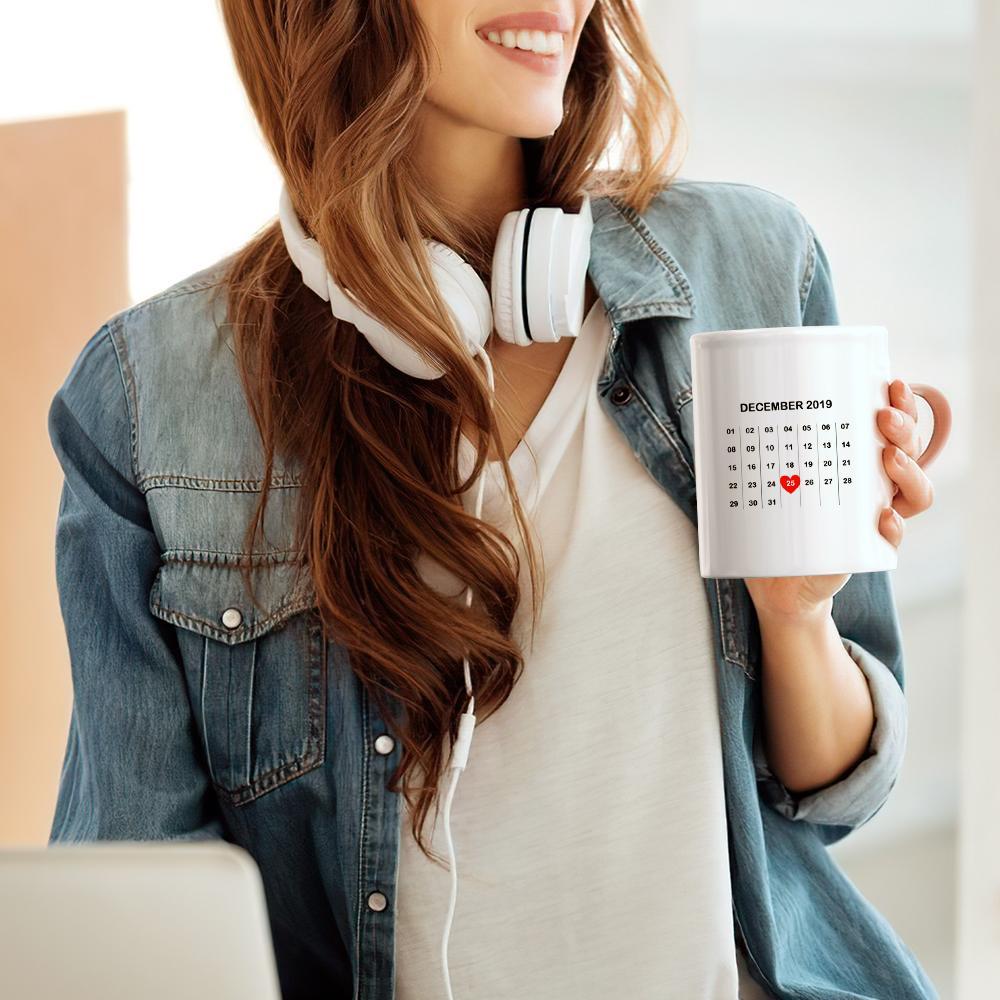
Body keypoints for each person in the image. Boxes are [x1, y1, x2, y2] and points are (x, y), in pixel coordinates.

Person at [46, 2, 941, 998]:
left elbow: (832, 794)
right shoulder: (154, 397)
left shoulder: (747, 264)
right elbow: (138, 905)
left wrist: (797, 612)